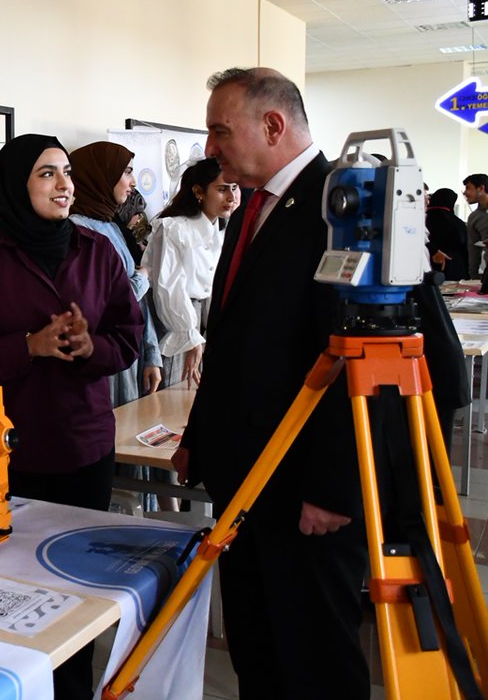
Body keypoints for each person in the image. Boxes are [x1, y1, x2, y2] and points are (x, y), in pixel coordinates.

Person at [173, 68, 369, 698]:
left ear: (273, 125)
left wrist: (334, 487)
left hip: (306, 492)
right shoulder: (254, 206)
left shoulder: (344, 205)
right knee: (258, 646)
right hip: (246, 479)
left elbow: (359, 360)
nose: (210, 147)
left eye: (219, 130)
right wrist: (198, 438)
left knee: (313, 656)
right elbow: (234, 340)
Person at [0, 133, 142, 698]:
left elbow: (127, 337)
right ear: (15, 185)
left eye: (67, 173)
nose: (64, 185)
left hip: (85, 448)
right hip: (7, 457)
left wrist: (87, 348)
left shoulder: (97, 250)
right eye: (47, 174)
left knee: (77, 596)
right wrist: (29, 346)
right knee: (12, 594)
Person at [67, 141, 162, 402]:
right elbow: (102, 303)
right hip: (102, 360)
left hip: (129, 355)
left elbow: (134, 304)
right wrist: (142, 280)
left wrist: (151, 354)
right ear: (101, 176)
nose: (133, 182)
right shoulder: (79, 231)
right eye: (127, 172)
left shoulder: (110, 225)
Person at [143, 158, 239, 387]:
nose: (232, 197)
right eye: (222, 189)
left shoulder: (220, 231)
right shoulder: (174, 228)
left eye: (234, 188)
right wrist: (190, 336)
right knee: (169, 394)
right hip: (171, 322)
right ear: (199, 192)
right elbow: (169, 289)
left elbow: (210, 289)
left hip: (197, 325)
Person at [426, 187, 468, 281]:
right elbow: (464, 247)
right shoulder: (457, 223)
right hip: (454, 266)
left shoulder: (423, 218)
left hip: (428, 266)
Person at [462, 173, 488, 279]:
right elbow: (473, 249)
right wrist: (473, 277)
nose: (465, 192)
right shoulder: (474, 217)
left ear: (481, 188)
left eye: (468, 188)